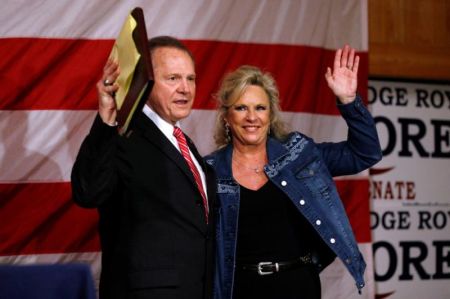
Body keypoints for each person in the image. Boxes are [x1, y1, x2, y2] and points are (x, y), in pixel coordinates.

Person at [205, 45, 382, 299]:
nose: (252, 117)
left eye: (260, 108)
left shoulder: (300, 153)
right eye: (241, 108)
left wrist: (349, 101)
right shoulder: (208, 170)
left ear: (271, 115)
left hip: (298, 286)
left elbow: (366, 152)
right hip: (240, 290)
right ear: (226, 117)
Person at [71, 36, 216, 299]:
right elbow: (87, 192)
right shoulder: (125, 134)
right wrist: (106, 121)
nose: (185, 88)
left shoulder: (184, 144)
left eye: (190, 78)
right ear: (145, 83)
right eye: (173, 78)